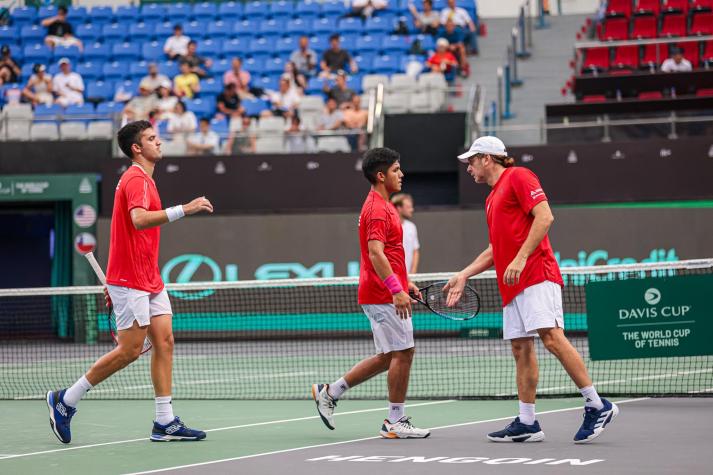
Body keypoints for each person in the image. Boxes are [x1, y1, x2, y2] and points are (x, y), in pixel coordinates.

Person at [46, 120, 212, 445]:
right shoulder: (136, 179)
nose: (159, 142)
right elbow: (138, 220)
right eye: (152, 138)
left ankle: (165, 421)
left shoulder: (145, 179)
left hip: (149, 276)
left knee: (164, 342)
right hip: (131, 279)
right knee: (129, 351)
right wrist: (185, 209)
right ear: (137, 148)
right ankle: (65, 401)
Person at [446, 136, 619, 444]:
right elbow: (494, 248)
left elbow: (545, 216)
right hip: (512, 284)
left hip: (537, 273)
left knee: (551, 337)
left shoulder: (519, 177)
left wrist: (521, 256)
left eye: (471, 161)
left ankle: (597, 404)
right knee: (520, 348)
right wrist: (464, 274)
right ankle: (527, 422)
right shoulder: (491, 198)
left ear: (487, 158)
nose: (469, 167)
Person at [312, 147, 430, 439]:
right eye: (395, 170)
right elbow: (375, 253)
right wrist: (395, 289)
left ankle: (330, 391)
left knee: (389, 354)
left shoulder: (385, 205)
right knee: (404, 352)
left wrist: (405, 283)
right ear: (381, 175)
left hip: (384, 291)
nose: (401, 174)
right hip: (381, 293)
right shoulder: (377, 209)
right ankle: (395, 420)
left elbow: (387, 254)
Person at [391, 193, 420, 274]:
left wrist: (412, 274)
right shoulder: (390, 227)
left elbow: (415, 251)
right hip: (393, 277)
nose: (412, 209)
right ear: (399, 208)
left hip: (408, 278)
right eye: (408, 207)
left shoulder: (412, 227)